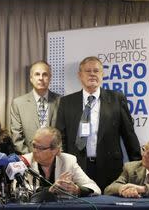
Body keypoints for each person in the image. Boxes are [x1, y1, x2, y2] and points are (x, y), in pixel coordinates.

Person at [55, 56, 141, 191]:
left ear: (102, 74)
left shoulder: (117, 99)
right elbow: (61, 137)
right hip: (77, 168)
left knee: (110, 209)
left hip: (110, 167)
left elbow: (129, 134)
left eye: (96, 71)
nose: (92, 74)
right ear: (80, 75)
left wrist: (138, 167)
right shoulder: (66, 102)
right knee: (79, 208)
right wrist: (62, 166)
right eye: (88, 71)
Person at [22, 127, 101, 196]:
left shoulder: (68, 161)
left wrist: (77, 190)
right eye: (34, 145)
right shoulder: (25, 161)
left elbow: (94, 188)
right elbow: (17, 189)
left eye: (40, 148)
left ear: (55, 150)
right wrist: (49, 190)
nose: (34, 151)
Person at [104, 134, 149, 199]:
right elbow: (109, 189)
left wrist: (144, 189)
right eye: (144, 149)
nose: (144, 155)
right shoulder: (131, 168)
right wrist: (124, 189)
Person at [10, 61, 60, 154]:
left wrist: (56, 155)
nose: (41, 78)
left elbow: (64, 134)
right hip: (29, 159)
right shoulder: (18, 104)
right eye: (37, 74)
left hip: (55, 158)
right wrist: (31, 157)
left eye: (45, 74)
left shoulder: (61, 101)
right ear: (31, 78)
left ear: (50, 78)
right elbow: (17, 137)